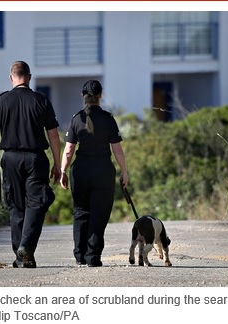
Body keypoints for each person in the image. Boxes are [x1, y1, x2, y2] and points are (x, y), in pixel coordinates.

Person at [0, 61, 61, 268]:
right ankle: (25, 249)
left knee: (16, 206)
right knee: (36, 204)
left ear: (12, 78)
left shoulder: (1, 101)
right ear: (28, 77)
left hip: (10, 159)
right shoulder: (41, 100)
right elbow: (53, 135)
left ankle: (21, 254)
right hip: (36, 159)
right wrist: (57, 164)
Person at [60, 79, 128, 267]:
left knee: (81, 212)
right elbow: (118, 150)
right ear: (101, 96)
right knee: (99, 214)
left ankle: (80, 255)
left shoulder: (76, 118)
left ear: (83, 96)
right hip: (103, 173)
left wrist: (63, 171)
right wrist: (124, 172)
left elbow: (68, 150)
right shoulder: (108, 119)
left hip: (80, 172)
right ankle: (93, 256)